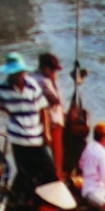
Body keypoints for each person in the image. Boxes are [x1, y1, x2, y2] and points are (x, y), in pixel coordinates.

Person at [0, 52, 55, 198]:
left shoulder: (32, 85)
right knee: (25, 173)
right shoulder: (0, 87)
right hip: (18, 138)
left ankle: (43, 198)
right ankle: (26, 201)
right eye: (14, 73)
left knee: (49, 170)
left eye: (19, 73)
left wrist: (46, 132)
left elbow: (43, 109)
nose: (17, 76)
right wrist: (2, 108)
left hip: (36, 136)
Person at [34, 53, 67, 181]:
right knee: (56, 154)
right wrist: (54, 80)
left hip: (39, 122)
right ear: (46, 68)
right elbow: (56, 99)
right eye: (53, 70)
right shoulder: (43, 81)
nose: (54, 73)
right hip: (52, 121)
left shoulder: (32, 77)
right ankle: (57, 178)